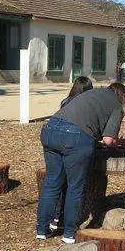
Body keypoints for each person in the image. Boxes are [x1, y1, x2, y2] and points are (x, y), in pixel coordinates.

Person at [36, 83, 125, 244]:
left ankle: (42, 229)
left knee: (52, 183)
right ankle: (69, 232)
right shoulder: (116, 106)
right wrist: (120, 142)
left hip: (50, 129)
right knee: (75, 186)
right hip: (75, 138)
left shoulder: (92, 94)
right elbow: (108, 140)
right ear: (122, 97)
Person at [49, 76, 94, 231]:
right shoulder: (87, 105)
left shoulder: (65, 102)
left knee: (59, 183)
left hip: (57, 140)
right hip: (76, 142)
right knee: (74, 185)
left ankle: (55, 217)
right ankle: (68, 223)